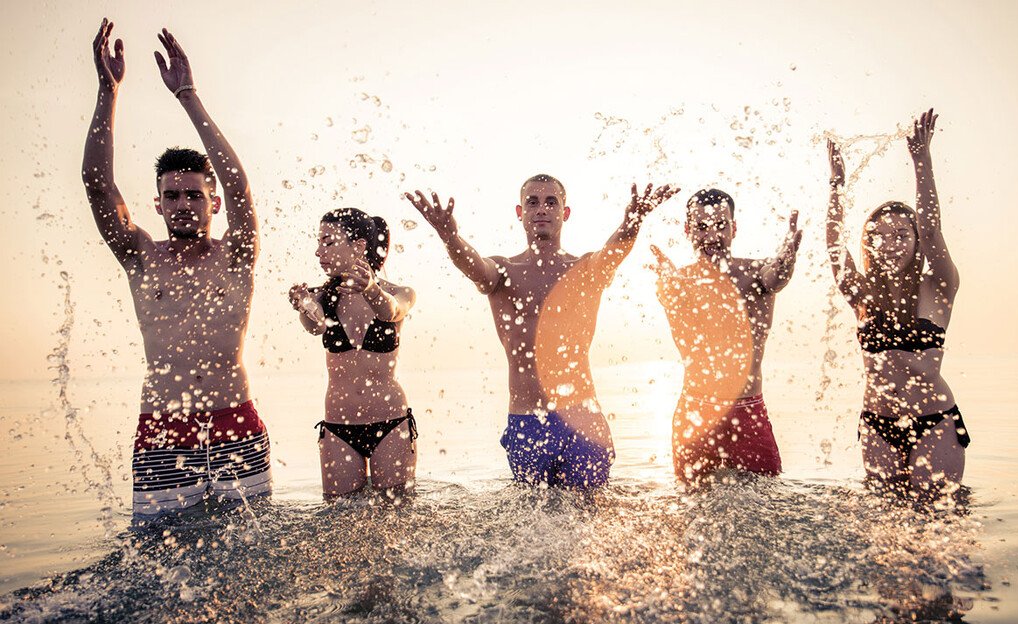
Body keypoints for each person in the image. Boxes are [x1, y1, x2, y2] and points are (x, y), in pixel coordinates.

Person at [81, 21, 270, 515]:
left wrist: (188, 95)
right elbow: (98, 186)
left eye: (194, 194)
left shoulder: (236, 254)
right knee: (160, 557)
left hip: (235, 420)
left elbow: (240, 185)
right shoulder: (141, 256)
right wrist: (108, 92)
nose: (183, 203)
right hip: (163, 426)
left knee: (252, 554)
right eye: (171, 196)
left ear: (214, 204)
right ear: (158, 205)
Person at [406, 177, 677, 487]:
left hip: (582, 420)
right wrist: (449, 235)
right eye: (533, 202)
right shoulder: (503, 271)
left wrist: (632, 222)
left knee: (590, 520)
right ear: (520, 212)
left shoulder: (584, 269)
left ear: (565, 212)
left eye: (551, 202)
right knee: (531, 523)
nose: (542, 209)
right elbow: (473, 267)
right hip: (526, 423)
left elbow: (612, 254)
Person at [825, 109, 969, 495]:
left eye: (900, 235)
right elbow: (834, 246)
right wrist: (836, 185)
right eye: (879, 236)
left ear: (916, 240)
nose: (889, 243)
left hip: (934, 422)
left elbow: (931, 225)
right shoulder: (862, 295)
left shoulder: (937, 287)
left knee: (939, 523)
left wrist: (922, 163)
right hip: (877, 424)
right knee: (884, 524)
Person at [651, 189, 801, 484]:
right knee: (692, 508)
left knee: (765, 505)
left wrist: (787, 262)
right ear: (687, 230)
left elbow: (777, 278)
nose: (712, 236)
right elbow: (681, 323)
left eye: (721, 226)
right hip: (696, 414)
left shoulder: (757, 273)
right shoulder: (678, 280)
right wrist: (669, 287)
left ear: (734, 228)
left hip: (747, 412)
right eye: (702, 227)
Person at [289, 209, 417, 496]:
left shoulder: (400, 292)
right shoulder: (322, 296)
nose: (318, 251)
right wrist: (304, 304)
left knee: (398, 518)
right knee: (338, 522)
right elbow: (315, 326)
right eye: (319, 242)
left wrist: (370, 288)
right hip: (338, 428)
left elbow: (390, 311)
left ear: (358, 245)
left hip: (391, 424)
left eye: (328, 242)